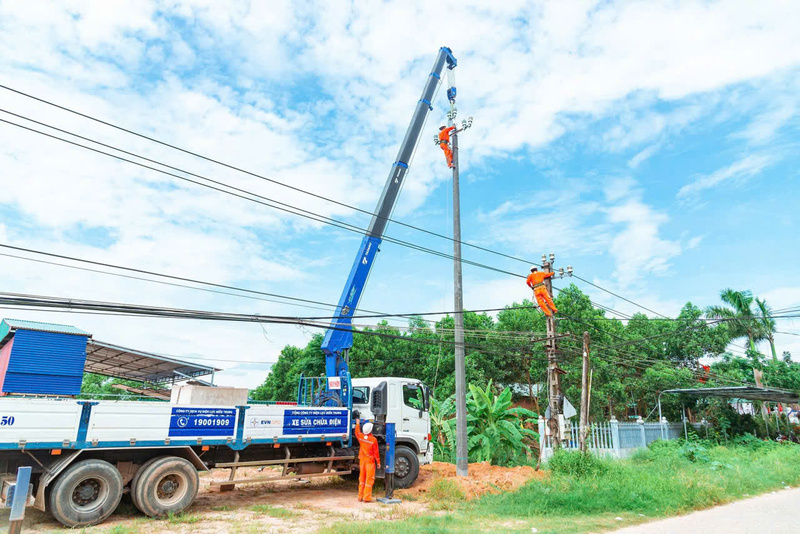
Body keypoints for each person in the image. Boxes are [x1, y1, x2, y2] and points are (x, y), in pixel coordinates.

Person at [354, 418, 381, 502]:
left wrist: (357, 423)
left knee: (362, 478)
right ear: (371, 430)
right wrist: (379, 462)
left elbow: (357, 432)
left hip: (362, 461)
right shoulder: (373, 440)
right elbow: (376, 452)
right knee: (369, 479)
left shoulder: (361, 437)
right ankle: (367, 497)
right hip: (370, 462)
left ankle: (360, 496)